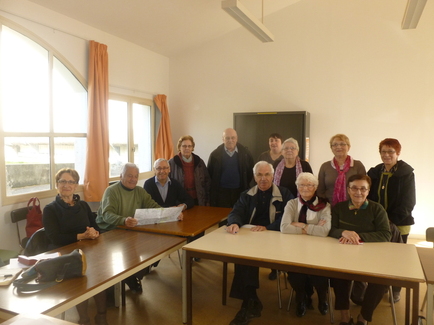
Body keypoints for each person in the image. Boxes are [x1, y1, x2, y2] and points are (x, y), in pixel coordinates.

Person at [225, 161, 293, 325]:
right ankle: (250, 299)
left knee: (245, 259)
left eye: (267, 174)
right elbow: (236, 212)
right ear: (254, 177)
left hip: (277, 238)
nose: (263, 179)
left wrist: (268, 228)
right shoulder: (247, 194)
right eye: (259, 175)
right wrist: (234, 222)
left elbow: (288, 218)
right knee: (243, 257)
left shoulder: (285, 194)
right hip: (252, 237)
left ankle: (249, 302)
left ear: (273, 175)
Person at [43, 168, 107, 325]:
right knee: (81, 276)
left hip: (88, 249)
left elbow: (96, 227)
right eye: (62, 181)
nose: (66, 185)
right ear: (57, 184)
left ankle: (101, 316)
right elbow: (54, 237)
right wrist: (81, 236)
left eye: (70, 182)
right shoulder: (50, 209)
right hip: (63, 253)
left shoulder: (83, 205)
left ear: (76, 185)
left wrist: (94, 232)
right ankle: (84, 318)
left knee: (100, 275)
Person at [96, 163, 168, 293]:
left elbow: (153, 206)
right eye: (129, 176)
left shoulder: (140, 191)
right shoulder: (111, 191)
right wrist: (123, 220)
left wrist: (169, 213)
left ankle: (133, 276)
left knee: (154, 248)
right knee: (130, 251)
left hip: (130, 230)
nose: (133, 179)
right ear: (121, 176)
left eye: (136, 176)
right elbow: (107, 215)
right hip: (110, 231)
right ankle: (128, 278)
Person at [329, 174, 391, 325]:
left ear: (368, 191)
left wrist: (357, 236)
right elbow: (331, 229)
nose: (358, 192)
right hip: (344, 254)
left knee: (380, 282)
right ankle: (344, 315)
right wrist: (343, 233)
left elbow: (386, 234)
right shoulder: (339, 208)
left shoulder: (377, 209)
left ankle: (364, 317)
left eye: (363, 189)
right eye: (354, 188)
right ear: (348, 190)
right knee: (339, 275)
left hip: (372, 257)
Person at [367, 138, 415, 303]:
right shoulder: (374, 172)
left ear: (398, 153)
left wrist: (390, 221)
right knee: (378, 257)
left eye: (390, 152)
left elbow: (408, 202)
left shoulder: (406, 173)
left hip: (399, 223)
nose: (386, 155)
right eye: (383, 152)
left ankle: (396, 289)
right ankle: (380, 286)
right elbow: (368, 196)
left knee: (397, 259)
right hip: (377, 224)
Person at [281, 172, 331, 317]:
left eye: (309, 185)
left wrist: (299, 225)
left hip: (319, 250)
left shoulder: (324, 205)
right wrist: (313, 227)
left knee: (319, 276)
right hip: (295, 249)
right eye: (301, 184)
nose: (305, 188)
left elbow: (325, 231)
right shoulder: (292, 203)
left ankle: (323, 299)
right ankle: (301, 298)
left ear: (315, 187)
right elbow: (284, 228)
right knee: (295, 275)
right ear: (297, 187)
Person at [208, 128, 254, 208]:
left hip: (240, 191)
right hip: (221, 193)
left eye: (233, 137)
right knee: (222, 216)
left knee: (238, 214)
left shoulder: (246, 154)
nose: (230, 140)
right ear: (223, 139)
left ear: (237, 138)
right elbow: (210, 173)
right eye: (227, 138)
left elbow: (250, 172)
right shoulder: (214, 155)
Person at [317, 134, 366, 206]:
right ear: (331, 148)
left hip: (353, 206)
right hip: (329, 207)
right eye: (335, 145)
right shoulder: (325, 166)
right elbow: (320, 190)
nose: (339, 147)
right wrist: (325, 206)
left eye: (342, 144)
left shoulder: (358, 165)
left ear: (348, 147)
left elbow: (364, 188)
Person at [168, 135, 211, 206]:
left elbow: (207, 182)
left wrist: (208, 200)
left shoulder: (199, 162)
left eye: (189, 146)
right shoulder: (171, 163)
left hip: (198, 199)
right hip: (180, 201)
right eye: (184, 146)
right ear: (179, 147)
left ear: (192, 148)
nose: (187, 148)